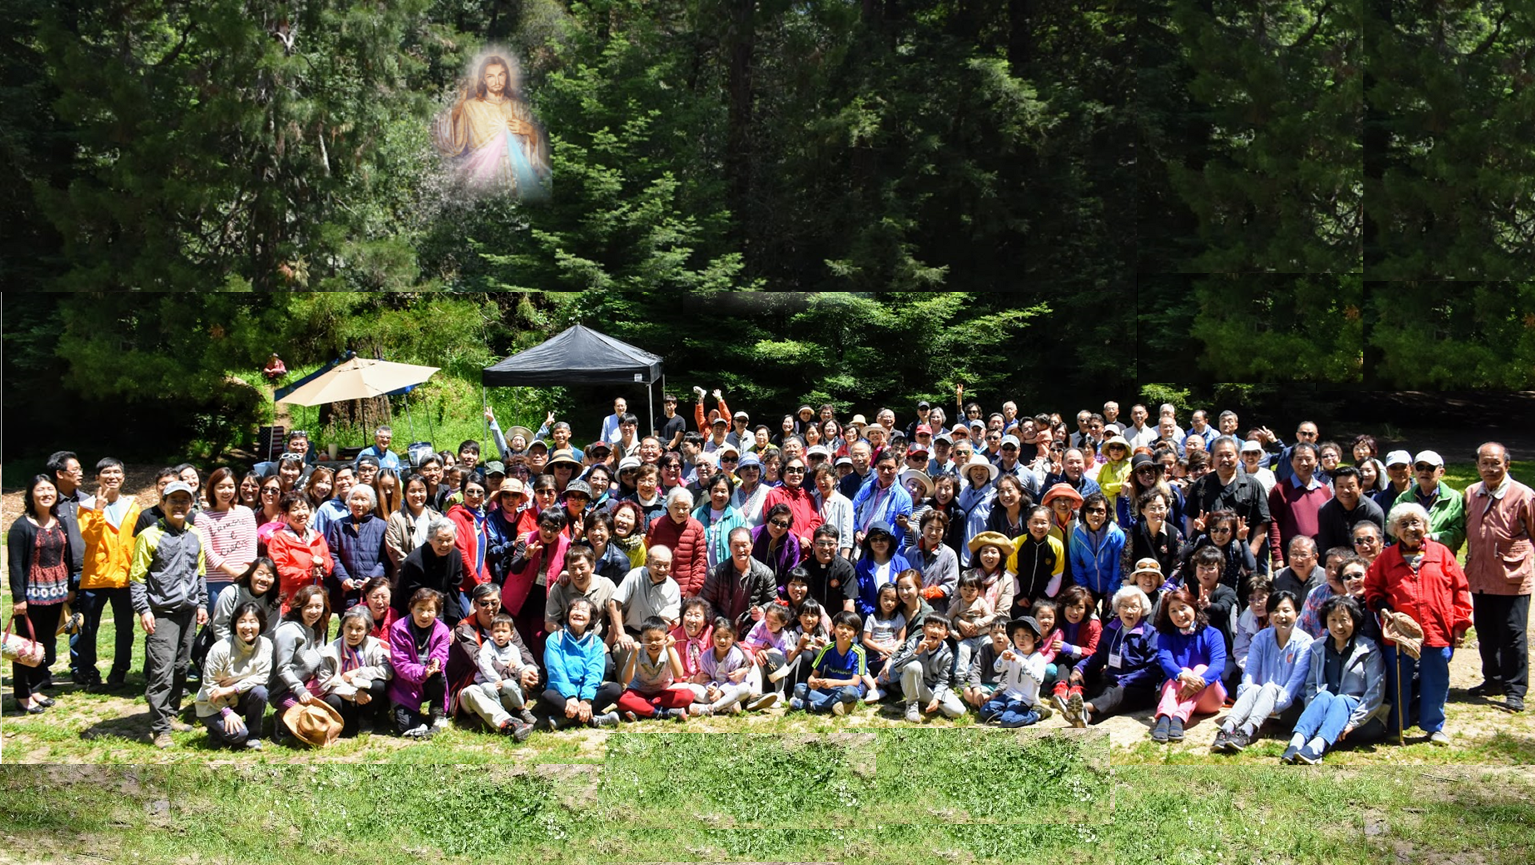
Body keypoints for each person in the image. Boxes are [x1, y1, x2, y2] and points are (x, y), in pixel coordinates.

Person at [1365, 502, 1473, 745]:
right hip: (1400, 632)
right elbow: (1372, 586)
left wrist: (1460, 624)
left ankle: (1434, 727)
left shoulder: (1441, 553)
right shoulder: (1387, 557)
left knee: (1436, 678)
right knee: (1399, 680)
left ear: (1425, 526)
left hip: (1437, 628)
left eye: (1416, 522)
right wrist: (1381, 605)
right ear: (1394, 529)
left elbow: (1461, 590)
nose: (1411, 528)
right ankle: (1397, 726)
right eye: (1404, 524)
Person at [128, 480, 209, 748]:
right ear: (162, 504)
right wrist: (143, 609)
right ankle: (160, 727)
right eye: (173, 500)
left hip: (188, 612)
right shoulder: (149, 536)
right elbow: (137, 578)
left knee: (180, 667)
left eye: (184, 500)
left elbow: (200, 574)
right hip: (161, 613)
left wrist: (202, 604)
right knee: (161, 671)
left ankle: (171, 714)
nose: (179, 505)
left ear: (191, 504)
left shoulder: (195, 534)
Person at [1464, 441, 1534, 712]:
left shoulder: (1524, 495)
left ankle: (1515, 689)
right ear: (1478, 465)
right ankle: (1492, 679)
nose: (1490, 468)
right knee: (1485, 631)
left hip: (1512, 577)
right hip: (1480, 577)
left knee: (1513, 634)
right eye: (1485, 463)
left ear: (1507, 464)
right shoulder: (1471, 493)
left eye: (1496, 463)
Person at [1282, 595, 1387, 764]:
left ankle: (1317, 747)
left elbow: (1375, 692)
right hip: (1325, 713)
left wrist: (1352, 723)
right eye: (1333, 620)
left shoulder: (1368, 649)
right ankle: (1296, 743)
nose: (1338, 626)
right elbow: (1311, 686)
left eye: (1344, 620)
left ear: (1354, 620)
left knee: (1341, 699)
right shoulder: (1318, 647)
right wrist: (1315, 715)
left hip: (1361, 720)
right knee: (1323, 696)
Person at [432, 53, 550, 195]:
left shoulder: (519, 107)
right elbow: (450, 137)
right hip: (483, 175)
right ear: (483, 79)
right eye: (490, 76)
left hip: (517, 176)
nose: (496, 80)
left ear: (507, 77)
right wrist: (457, 108)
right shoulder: (470, 107)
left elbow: (536, 150)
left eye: (501, 75)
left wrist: (530, 131)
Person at [72, 458, 143, 690]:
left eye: (116, 472)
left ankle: (119, 671)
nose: (111, 476)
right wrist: (99, 510)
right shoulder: (86, 506)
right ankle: (88, 670)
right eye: (106, 472)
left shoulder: (132, 506)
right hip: (95, 577)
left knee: (125, 629)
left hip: (124, 578)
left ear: (123, 477)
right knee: (89, 628)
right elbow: (91, 538)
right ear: (97, 478)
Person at [1213, 590, 1312, 753]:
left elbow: (1296, 682)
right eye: (1275, 611)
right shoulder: (1261, 638)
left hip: (1291, 703)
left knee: (1269, 687)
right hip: (1263, 699)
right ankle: (1227, 728)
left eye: (1286, 610)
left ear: (1298, 613)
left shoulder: (1305, 642)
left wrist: (1276, 707)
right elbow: (1249, 673)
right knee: (1254, 688)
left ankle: (1246, 731)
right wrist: (1246, 696)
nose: (1281, 616)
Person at [8, 475, 76, 714]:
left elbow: (66, 556)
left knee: (44, 644)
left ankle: (36, 688)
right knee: (26, 646)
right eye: (40, 489)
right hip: (31, 595)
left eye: (50, 489)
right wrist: (19, 598)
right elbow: (15, 565)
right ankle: (22, 694)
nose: (46, 493)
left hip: (56, 593)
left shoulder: (59, 522)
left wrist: (70, 588)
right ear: (30, 495)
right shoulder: (21, 526)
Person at [1060, 586, 1162, 727]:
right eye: (1124, 606)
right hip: (1113, 681)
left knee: (1118, 693)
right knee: (1104, 688)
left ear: (1142, 609)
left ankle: (1086, 707)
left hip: (1138, 687)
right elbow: (1099, 656)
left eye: (1134, 607)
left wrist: (1126, 681)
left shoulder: (1150, 633)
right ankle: (1086, 717)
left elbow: (1154, 669)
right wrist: (1080, 668)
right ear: (1117, 608)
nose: (1129, 611)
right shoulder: (1111, 629)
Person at [1148, 586, 1226, 743]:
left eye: (1183, 608)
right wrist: (1184, 676)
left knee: (1201, 668)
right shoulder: (1166, 636)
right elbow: (1165, 661)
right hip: (1177, 693)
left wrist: (1198, 682)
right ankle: (1164, 718)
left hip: (1208, 697)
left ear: (1194, 607)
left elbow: (1218, 664)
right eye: (1173, 611)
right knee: (1182, 671)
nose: (1179, 615)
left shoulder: (1213, 633)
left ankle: (1178, 718)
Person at [195, 601, 272, 750]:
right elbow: (210, 687)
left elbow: (262, 676)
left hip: (239, 697)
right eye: (242, 621)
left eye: (253, 621)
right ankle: (216, 730)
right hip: (213, 703)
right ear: (235, 624)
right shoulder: (220, 648)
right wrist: (226, 711)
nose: (247, 627)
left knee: (260, 692)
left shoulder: (266, 644)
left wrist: (234, 689)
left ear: (261, 624)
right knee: (238, 735)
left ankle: (253, 736)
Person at [541, 598, 623, 729]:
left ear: (591, 618)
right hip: (562, 692)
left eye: (584, 611)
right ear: (568, 615)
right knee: (547, 696)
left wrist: (586, 699)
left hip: (586, 691)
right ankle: (595, 720)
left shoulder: (595, 642)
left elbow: (594, 671)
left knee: (614, 689)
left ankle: (564, 719)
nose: (578, 613)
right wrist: (570, 696)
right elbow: (555, 670)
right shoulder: (555, 638)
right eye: (575, 609)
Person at [502, 508, 571, 660]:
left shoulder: (566, 545)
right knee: (519, 639)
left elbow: (571, 564)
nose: (548, 532)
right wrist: (526, 556)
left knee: (539, 639)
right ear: (538, 524)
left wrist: (566, 571)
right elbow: (515, 568)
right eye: (545, 526)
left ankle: (539, 675)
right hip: (521, 598)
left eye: (555, 529)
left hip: (545, 601)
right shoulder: (527, 539)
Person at [316, 605, 393, 738]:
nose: (353, 633)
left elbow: (387, 672)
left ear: (367, 630)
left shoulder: (374, 646)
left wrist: (358, 672)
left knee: (378, 685)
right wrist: (352, 693)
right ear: (342, 627)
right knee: (332, 700)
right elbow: (324, 683)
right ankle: (346, 723)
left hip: (367, 696)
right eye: (349, 627)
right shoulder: (330, 650)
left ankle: (367, 718)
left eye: (359, 629)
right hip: (343, 695)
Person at [267, 584, 328, 745]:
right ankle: (281, 718)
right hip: (284, 689)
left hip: (308, 684)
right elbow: (282, 668)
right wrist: (299, 689)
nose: (314, 611)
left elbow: (321, 658)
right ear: (299, 607)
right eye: (309, 607)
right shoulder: (288, 632)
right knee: (304, 713)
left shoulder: (318, 627)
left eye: (318, 606)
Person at [389, 588, 453, 739]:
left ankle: (437, 710)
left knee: (438, 676)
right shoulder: (399, 628)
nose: (425, 615)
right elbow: (400, 663)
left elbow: (442, 653)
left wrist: (436, 661)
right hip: (406, 684)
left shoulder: (442, 629)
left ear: (437, 612)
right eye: (420, 609)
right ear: (411, 608)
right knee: (406, 727)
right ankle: (399, 710)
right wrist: (422, 672)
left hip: (431, 680)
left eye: (430, 610)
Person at [461, 612, 537, 740]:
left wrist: (526, 670)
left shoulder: (513, 648)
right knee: (470, 691)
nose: (490, 608)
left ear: (511, 634)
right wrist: (501, 676)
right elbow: (482, 663)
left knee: (516, 684)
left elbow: (523, 664)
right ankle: (508, 722)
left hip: (505, 692)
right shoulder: (465, 630)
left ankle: (516, 715)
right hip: (485, 691)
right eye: (485, 603)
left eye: (494, 603)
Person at [196, 467, 259, 610]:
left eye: (230, 487)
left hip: (245, 579)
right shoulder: (203, 518)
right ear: (212, 489)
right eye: (221, 487)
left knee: (244, 624)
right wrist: (234, 573)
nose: (226, 491)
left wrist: (244, 572)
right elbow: (207, 552)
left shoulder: (246, 512)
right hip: (216, 582)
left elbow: (251, 546)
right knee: (219, 626)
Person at [698, 527, 777, 637]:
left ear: (752, 545)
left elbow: (773, 601)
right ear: (729, 546)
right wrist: (721, 623)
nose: (740, 550)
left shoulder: (765, 573)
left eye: (744, 545)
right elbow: (705, 604)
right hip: (721, 633)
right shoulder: (716, 573)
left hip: (753, 634)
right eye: (736, 545)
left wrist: (763, 610)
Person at [1266, 443, 1333, 570]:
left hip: (1319, 554)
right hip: (1291, 554)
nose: (1304, 463)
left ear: (1317, 461)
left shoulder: (1324, 490)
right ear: (1291, 461)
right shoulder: (1280, 489)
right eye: (1299, 459)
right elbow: (1273, 523)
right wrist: (1277, 556)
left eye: (1308, 459)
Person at [616, 615, 696, 721]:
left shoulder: (669, 651)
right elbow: (625, 680)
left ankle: (642, 708)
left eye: (658, 639)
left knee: (687, 695)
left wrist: (670, 648)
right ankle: (663, 712)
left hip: (661, 693)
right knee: (622, 700)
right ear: (641, 638)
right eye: (648, 639)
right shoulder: (637, 651)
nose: (653, 643)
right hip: (638, 691)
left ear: (665, 638)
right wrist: (633, 654)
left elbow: (679, 675)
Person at [325, 484, 388, 617]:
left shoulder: (381, 526)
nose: (358, 503)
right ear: (348, 501)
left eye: (364, 499)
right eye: (355, 499)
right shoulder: (339, 525)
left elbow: (385, 558)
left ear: (371, 503)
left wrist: (371, 578)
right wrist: (343, 578)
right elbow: (332, 554)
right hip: (348, 589)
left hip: (372, 589)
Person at [267, 491, 334, 616]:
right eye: (295, 509)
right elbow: (280, 571)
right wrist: (309, 573)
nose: (301, 513)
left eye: (304, 508)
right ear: (286, 514)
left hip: (315, 599)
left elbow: (329, 564)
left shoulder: (317, 536)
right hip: (291, 599)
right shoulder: (280, 539)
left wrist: (323, 563)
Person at [789, 610, 867, 715]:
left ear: (855, 634)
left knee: (850, 692)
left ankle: (808, 705)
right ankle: (836, 704)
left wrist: (834, 682)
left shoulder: (859, 653)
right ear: (834, 629)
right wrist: (813, 682)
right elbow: (812, 676)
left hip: (846, 690)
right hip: (829, 690)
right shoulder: (827, 649)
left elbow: (855, 682)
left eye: (849, 629)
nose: (844, 631)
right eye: (841, 627)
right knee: (799, 688)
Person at [979, 616, 1052, 728]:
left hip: (1024, 699)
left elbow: (1038, 680)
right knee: (985, 711)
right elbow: (997, 669)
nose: (1021, 639)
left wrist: (1022, 662)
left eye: (1026, 636)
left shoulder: (1038, 658)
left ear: (1036, 639)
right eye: (1017, 635)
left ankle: (1037, 714)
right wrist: (1002, 658)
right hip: (1008, 695)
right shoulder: (1012, 652)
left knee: (1007, 721)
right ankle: (1011, 713)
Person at [890, 614, 965, 722]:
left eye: (940, 628)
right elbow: (897, 667)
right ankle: (911, 705)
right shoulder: (914, 643)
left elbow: (943, 680)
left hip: (931, 689)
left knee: (958, 711)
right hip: (912, 685)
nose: (935, 631)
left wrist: (937, 698)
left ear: (946, 634)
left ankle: (928, 701)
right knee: (914, 666)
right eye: (931, 626)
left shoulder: (947, 654)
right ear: (923, 629)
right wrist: (916, 653)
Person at [1393, 450, 1467, 555]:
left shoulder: (1454, 498)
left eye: (1430, 468)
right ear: (1413, 470)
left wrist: (1431, 538)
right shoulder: (1404, 498)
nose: (1424, 472)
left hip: (1440, 558)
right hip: (1407, 556)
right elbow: (1391, 528)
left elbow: (1458, 534)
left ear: (1441, 472)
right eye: (1420, 467)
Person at [395, 519, 463, 620]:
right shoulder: (413, 561)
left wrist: (451, 620)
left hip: (440, 608)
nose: (444, 544)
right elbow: (412, 596)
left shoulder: (456, 555)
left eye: (449, 540)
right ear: (430, 540)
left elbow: (454, 589)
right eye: (439, 540)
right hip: (416, 610)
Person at [646, 487, 708, 597]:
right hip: (657, 587)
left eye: (685, 508)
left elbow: (700, 561)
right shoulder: (655, 526)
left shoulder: (697, 528)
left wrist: (693, 588)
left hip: (685, 591)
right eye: (676, 507)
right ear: (668, 507)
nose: (680, 511)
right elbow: (647, 557)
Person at [1314, 466, 1386, 556]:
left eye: (1350, 486)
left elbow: (1376, 547)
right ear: (1334, 488)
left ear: (1360, 488)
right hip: (1337, 562)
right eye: (1341, 486)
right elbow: (1326, 546)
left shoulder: (1373, 512)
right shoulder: (1326, 510)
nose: (1346, 491)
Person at [211, 557, 282, 642]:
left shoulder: (273, 602)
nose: (264, 579)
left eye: (269, 576)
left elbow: (268, 633)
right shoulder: (230, 594)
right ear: (250, 575)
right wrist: (232, 650)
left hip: (256, 649)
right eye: (260, 573)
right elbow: (220, 626)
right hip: (227, 645)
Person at [852, 522, 910, 618]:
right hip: (871, 620)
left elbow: (909, 591)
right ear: (869, 542)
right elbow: (858, 597)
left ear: (889, 541)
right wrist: (875, 613)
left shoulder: (901, 563)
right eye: (874, 539)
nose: (878, 542)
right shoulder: (862, 566)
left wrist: (894, 612)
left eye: (883, 539)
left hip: (899, 619)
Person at [385, 473, 443, 570]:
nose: (417, 495)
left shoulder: (437, 518)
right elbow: (394, 550)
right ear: (405, 493)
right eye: (412, 491)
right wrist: (416, 570)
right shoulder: (396, 518)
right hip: (408, 574)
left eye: (421, 491)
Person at [903, 510, 960, 607]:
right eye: (930, 528)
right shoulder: (909, 552)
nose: (933, 533)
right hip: (910, 607)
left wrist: (926, 593)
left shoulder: (949, 554)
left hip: (937, 610)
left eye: (939, 529)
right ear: (922, 527)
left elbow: (950, 585)